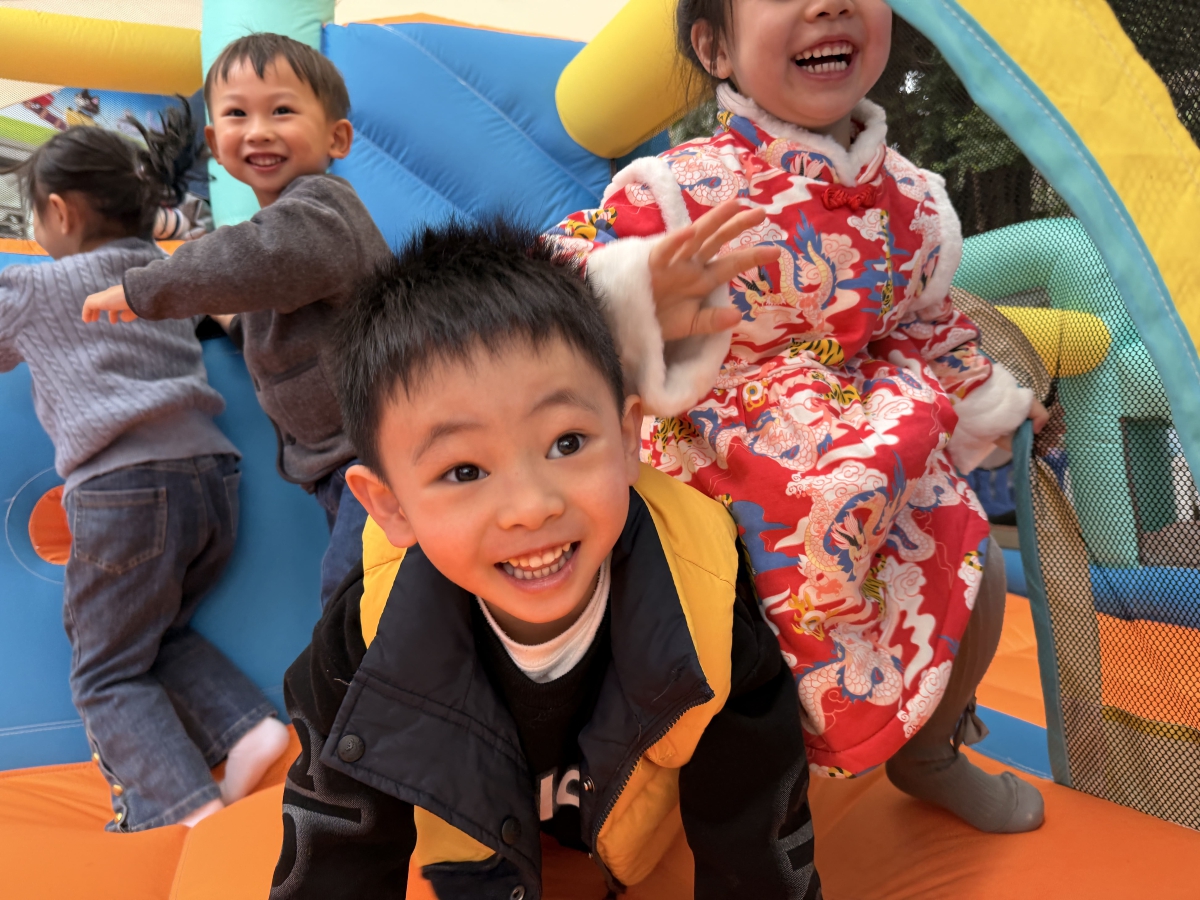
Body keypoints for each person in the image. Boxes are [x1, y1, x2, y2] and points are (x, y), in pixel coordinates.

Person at [547, 0, 1048, 832]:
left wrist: (992, 399)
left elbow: (929, 323)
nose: (829, 4)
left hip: (871, 450)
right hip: (719, 465)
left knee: (973, 559)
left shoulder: (912, 200)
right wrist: (633, 285)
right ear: (715, 47)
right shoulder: (682, 188)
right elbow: (550, 271)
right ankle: (722, 803)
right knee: (716, 632)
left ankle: (931, 751)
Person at [268, 220, 821, 899]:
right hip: (480, 841)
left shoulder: (703, 601)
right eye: (465, 471)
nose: (530, 508)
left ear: (628, 437)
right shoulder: (365, 643)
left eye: (567, 443)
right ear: (392, 508)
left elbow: (756, 833)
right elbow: (336, 856)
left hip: (636, 833)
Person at [0, 102, 288, 832]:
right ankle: (247, 729)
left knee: (104, 671)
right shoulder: (161, 272)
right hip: (212, 483)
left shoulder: (34, 288)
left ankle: (184, 807)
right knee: (153, 635)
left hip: (124, 492)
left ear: (59, 212)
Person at [82, 33, 391, 609]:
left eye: (282, 110)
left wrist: (145, 288)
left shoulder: (323, 210)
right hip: (341, 463)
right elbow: (276, 321)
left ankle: (366, 671)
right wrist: (223, 317)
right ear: (214, 144)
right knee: (363, 595)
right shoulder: (284, 240)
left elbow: (257, 256)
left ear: (337, 138)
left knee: (355, 600)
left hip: (378, 455)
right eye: (237, 115)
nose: (259, 130)